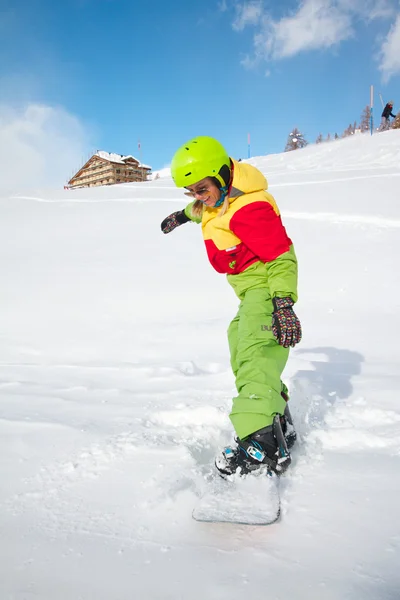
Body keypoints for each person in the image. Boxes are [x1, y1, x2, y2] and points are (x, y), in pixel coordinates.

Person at [161, 136, 302, 478]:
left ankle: (260, 446)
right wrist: (181, 217)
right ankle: (276, 418)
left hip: (265, 287)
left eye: (202, 188)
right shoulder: (215, 201)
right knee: (238, 343)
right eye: (191, 191)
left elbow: (281, 257)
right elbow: (203, 210)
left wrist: (283, 304)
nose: (199, 196)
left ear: (223, 174)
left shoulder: (250, 208)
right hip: (248, 292)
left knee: (254, 351)